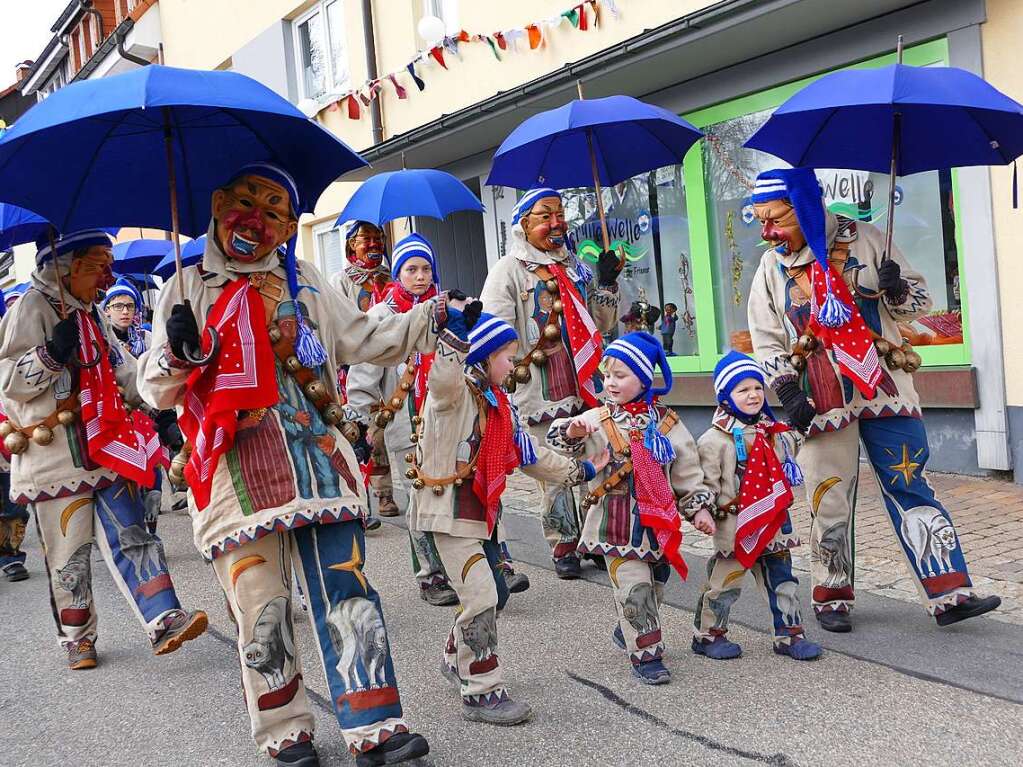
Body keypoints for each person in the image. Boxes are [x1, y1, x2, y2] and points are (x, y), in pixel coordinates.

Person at [139, 163, 446, 767]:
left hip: (318, 460)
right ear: (220, 203)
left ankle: (374, 724)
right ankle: (284, 728)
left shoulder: (303, 278)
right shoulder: (187, 284)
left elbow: (366, 338)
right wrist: (178, 353)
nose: (257, 218)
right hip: (236, 469)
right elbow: (156, 390)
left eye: (275, 210)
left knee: (347, 584)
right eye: (246, 202)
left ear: (288, 227)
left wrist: (431, 316)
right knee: (259, 599)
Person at [747, 167, 1000, 631]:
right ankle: (832, 594)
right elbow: (765, 338)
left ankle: (949, 592)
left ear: (805, 207)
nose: (767, 233)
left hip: (885, 387)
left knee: (912, 483)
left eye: (775, 219)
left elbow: (918, 304)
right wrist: (784, 389)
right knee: (827, 497)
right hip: (820, 397)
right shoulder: (770, 265)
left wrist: (897, 287)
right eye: (760, 221)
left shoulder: (867, 239)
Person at [0, 229, 207, 670]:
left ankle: (163, 617)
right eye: (99, 264)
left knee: (135, 532)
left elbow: (124, 372)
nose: (108, 275)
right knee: (68, 553)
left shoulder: (89, 312)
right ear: (69, 266)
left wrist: (166, 410)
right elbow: (8, 381)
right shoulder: (30, 308)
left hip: (107, 448)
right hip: (54, 456)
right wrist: (50, 353)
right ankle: (77, 637)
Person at [412, 305, 605, 723]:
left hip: (482, 513)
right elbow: (442, 378)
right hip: (447, 514)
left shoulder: (501, 405)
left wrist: (582, 469)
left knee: (491, 595)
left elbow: (530, 455)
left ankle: (454, 656)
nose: (515, 364)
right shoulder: (453, 394)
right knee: (481, 593)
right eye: (507, 356)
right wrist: (452, 336)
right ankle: (481, 691)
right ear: (481, 357)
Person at [548, 332, 713, 684]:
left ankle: (630, 626)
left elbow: (686, 470)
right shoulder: (597, 419)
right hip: (615, 524)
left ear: (644, 378)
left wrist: (697, 508)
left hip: (658, 523)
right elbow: (560, 440)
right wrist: (575, 433)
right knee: (634, 587)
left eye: (620, 375)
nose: (610, 382)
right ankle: (647, 655)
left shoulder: (667, 423)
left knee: (656, 582)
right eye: (607, 374)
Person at [480, 187, 622, 579]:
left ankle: (593, 536)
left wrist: (606, 283)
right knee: (556, 464)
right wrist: (506, 376)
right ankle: (563, 543)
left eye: (560, 215)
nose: (556, 224)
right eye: (545, 216)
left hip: (585, 381)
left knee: (595, 454)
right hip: (539, 386)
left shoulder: (575, 267)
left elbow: (602, 325)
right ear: (524, 224)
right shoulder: (508, 269)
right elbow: (495, 331)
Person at [346, 233, 458, 605]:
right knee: (421, 497)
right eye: (411, 269)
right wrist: (361, 421)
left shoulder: (447, 310)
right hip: (407, 423)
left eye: (426, 268)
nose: (421, 276)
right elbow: (363, 373)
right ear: (398, 274)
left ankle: (472, 565)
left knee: (457, 490)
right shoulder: (382, 314)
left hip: (451, 417)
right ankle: (430, 576)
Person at [691, 350, 821, 661]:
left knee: (783, 579)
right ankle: (709, 634)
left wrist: (803, 421)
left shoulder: (772, 431)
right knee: (725, 582)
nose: (752, 395)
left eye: (757, 388)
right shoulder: (714, 440)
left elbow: (792, 445)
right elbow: (704, 482)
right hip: (736, 525)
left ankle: (789, 634)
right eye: (742, 390)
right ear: (725, 396)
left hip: (774, 521)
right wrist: (702, 509)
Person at [102, 277, 181, 532]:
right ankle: (128, 530)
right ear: (107, 310)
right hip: (118, 416)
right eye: (118, 306)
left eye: (130, 306)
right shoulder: (104, 342)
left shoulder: (146, 338)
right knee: (125, 478)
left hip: (150, 415)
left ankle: (151, 531)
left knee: (152, 473)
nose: (125, 311)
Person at [332, 220, 394, 525]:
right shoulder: (341, 281)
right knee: (362, 429)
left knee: (386, 425)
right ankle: (364, 497)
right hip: (357, 364)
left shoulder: (391, 277)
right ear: (349, 246)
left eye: (377, 239)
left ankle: (386, 492)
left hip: (391, 361)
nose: (373, 245)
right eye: (364, 239)